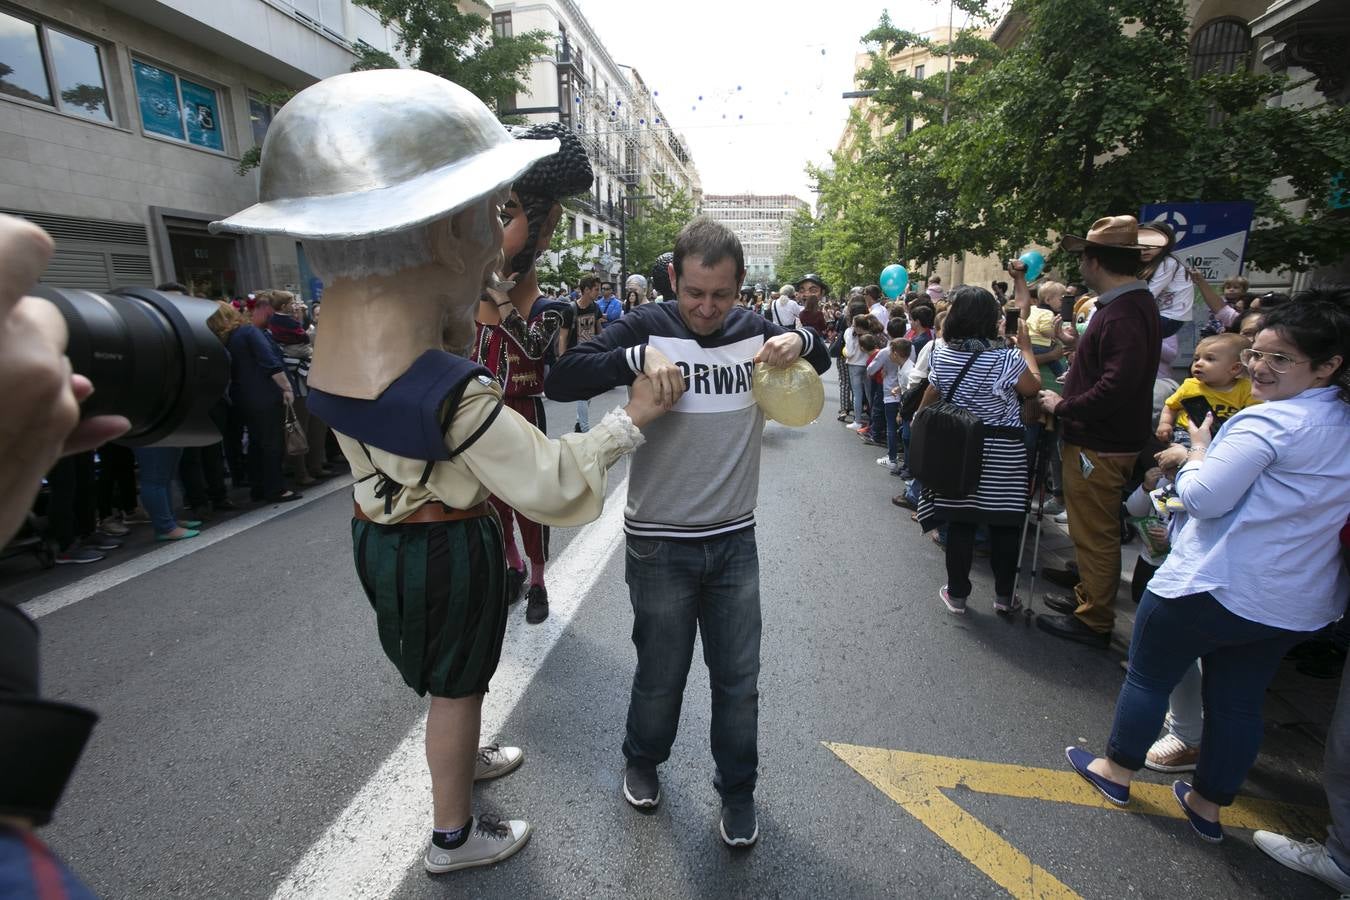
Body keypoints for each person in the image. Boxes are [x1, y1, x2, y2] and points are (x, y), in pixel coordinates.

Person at [212, 70, 671, 875]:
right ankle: (454, 836)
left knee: (458, 678)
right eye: (486, 217)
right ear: (440, 235)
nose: (497, 239)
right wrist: (631, 421)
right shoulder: (445, 390)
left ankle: (468, 757)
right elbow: (553, 484)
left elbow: (473, 316)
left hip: (382, 533)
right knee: (456, 687)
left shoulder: (342, 350)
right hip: (441, 544)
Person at [545, 216, 830, 849]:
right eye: (694, 292)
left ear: (739, 288)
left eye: (721, 295)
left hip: (735, 542)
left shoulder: (756, 331)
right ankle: (643, 760)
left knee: (738, 680)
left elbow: (823, 352)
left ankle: (738, 792)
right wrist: (633, 356)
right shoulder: (648, 327)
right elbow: (562, 377)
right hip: (658, 544)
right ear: (674, 278)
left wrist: (801, 344)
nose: (705, 308)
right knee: (661, 671)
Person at [1063, 288, 1350, 843]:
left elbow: (1201, 498)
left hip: (1213, 581)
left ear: (1328, 365)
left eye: (1280, 358)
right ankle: (1207, 804)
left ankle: (1116, 770)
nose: (1259, 369)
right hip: (1293, 599)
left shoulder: (1267, 425)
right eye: (1256, 355)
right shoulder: (1336, 422)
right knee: (1239, 704)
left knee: (1148, 676)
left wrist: (1196, 452)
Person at [471, 121, 591, 625]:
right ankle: (512, 566)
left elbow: (536, 346)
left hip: (524, 410)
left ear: (546, 225)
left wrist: (502, 301)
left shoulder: (552, 307)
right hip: (479, 415)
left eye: (505, 215)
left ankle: (539, 575)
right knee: (492, 501)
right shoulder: (465, 305)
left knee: (530, 502)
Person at [1035, 216, 1160, 647]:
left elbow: (1116, 385)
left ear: (1094, 260)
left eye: (1082, 259)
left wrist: (1064, 404)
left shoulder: (1125, 311)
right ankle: (1088, 594)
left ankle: (1094, 618)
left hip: (1100, 441)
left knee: (1096, 532)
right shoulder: (1123, 307)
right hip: (1099, 437)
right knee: (1089, 530)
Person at [915, 287, 1041, 614]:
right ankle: (1003, 597)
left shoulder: (942, 353)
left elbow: (934, 390)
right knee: (1004, 524)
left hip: (960, 451)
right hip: (1003, 451)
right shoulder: (1007, 357)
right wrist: (1026, 349)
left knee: (960, 522)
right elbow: (1032, 388)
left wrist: (918, 422)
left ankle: (957, 594)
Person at [1155, 333, 1256, 445]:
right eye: (1196, 358)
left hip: (1226, 435)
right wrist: (1165, 423)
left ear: (1235, 368)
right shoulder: (1190, 386)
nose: (1198, 363)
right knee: (1185, 448)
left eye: (1209, 359)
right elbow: (1171, 407)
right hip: (1187, 433)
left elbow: (1253, 416)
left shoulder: (1246, 389)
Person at [568, 274, 605, 432]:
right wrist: (563, 358)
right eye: (597, 289)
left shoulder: (595, 307)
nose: (599, 292)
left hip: (592, 353)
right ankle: (584, 428)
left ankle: (578, 423)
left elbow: (599, 328)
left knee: (588, 392)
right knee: (583, 392)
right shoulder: (571, 308)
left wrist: (604, 346)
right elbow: (563, 336)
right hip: (576, 355)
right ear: (587, 290)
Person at [870, 336, 912, 470]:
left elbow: (910, 393)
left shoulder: (907, 370)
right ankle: (903, 463)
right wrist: (899, 388)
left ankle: (894, 459)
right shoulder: (903, 366)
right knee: (902, 434)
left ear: (895, 353)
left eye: (890, 352)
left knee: (895, 430)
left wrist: (901, 411)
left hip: (902, 405)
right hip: (899, 400)